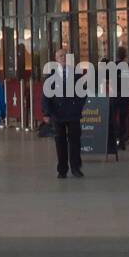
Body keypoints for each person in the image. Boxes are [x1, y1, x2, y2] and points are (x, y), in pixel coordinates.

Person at [42, 48, 85, 178]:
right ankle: (62, 169)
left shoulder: (76, 74)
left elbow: (82, 93)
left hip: (73, 114)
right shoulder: (51, 77)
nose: (63, 58)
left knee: (75, 141)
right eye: (60, 56)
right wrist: (46, 113)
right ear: (56, 59)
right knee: (60, 142)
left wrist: (78, 108)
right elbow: (46, 96)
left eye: (65, 56)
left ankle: (76, 167)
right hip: (58, 114)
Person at [109, 47, 129, 150]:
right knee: (123, 118)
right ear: (125, 55)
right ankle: (122, 140)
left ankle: (114, 139)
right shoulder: (128, 66)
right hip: (125, 95)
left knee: (113, 118)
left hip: (115, 94)